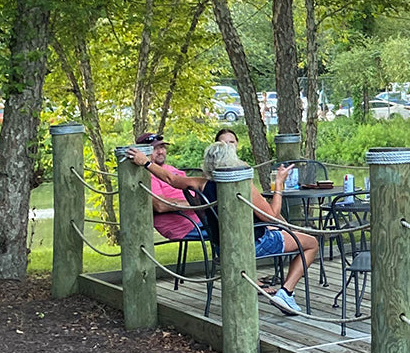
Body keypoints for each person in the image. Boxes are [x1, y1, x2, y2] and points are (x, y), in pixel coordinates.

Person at [128, 142, 318, 313]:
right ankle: (286, 292)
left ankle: (280, 291)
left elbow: (170, 179)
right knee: (311, 243)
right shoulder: (243, 185)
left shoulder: (201, 184)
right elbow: (272, 215)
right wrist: (279, 185)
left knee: (283, 232)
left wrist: (145, 162)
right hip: (254, 243)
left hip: (222, 247)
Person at [137, 133, 203, 242]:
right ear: (144, 153)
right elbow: (160, 205)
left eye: (162, 147)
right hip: (186, 225)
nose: (160, 152)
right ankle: (227, 258)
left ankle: (225, 258)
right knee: (225, 227)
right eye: (155, 149)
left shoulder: (170, 169)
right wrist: (195, 204)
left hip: (199, 217)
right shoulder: (147, 175)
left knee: (232, 219)